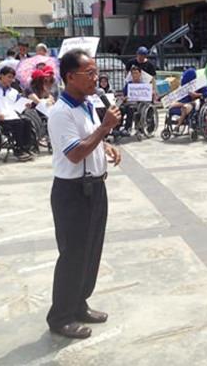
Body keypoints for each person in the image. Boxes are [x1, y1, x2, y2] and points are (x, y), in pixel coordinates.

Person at [46, 49, 122, 339]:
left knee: (91, 250)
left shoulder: (87, 104)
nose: (95, 78)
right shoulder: (60, 113)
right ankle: (60, 316)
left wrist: (105, 146)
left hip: (95, 187)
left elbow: (88, 139)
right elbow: (76, 153)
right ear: (70, 77)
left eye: (95, 71)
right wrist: (104, 130)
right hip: (72, 193)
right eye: (89, 73)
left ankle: (79, 303)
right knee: (73, 254)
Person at [0, 66, 33, 161]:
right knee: (19, 123)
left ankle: (25, 148)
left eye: (12, 77)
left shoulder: (14, 92)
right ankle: (18, 150)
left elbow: (19, 105)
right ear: (1, 76)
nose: (11, 80)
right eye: (9, 77)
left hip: (12, 116)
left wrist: (26, 105)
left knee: (27, 121)